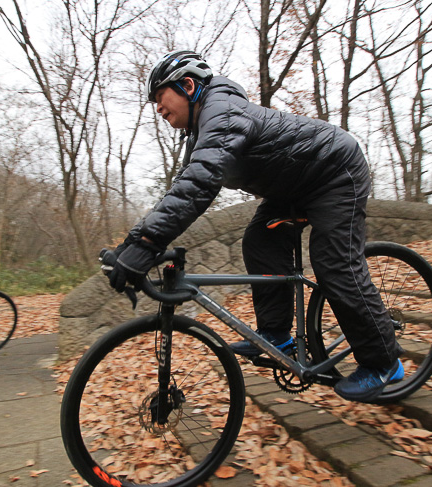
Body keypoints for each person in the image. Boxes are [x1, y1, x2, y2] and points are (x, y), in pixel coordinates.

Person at [106, 50, 404, 403]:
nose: (157, 107)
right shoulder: (199, 131)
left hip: (335, 173)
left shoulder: (223, 111)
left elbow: (201, 184)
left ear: (187, 85)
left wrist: (146, 244)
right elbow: (182, 187)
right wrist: (132, 243)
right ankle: (276, 336)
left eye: (160, 97)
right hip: (291, 188)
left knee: (335, 265)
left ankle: (384, 362)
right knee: (259, 242)